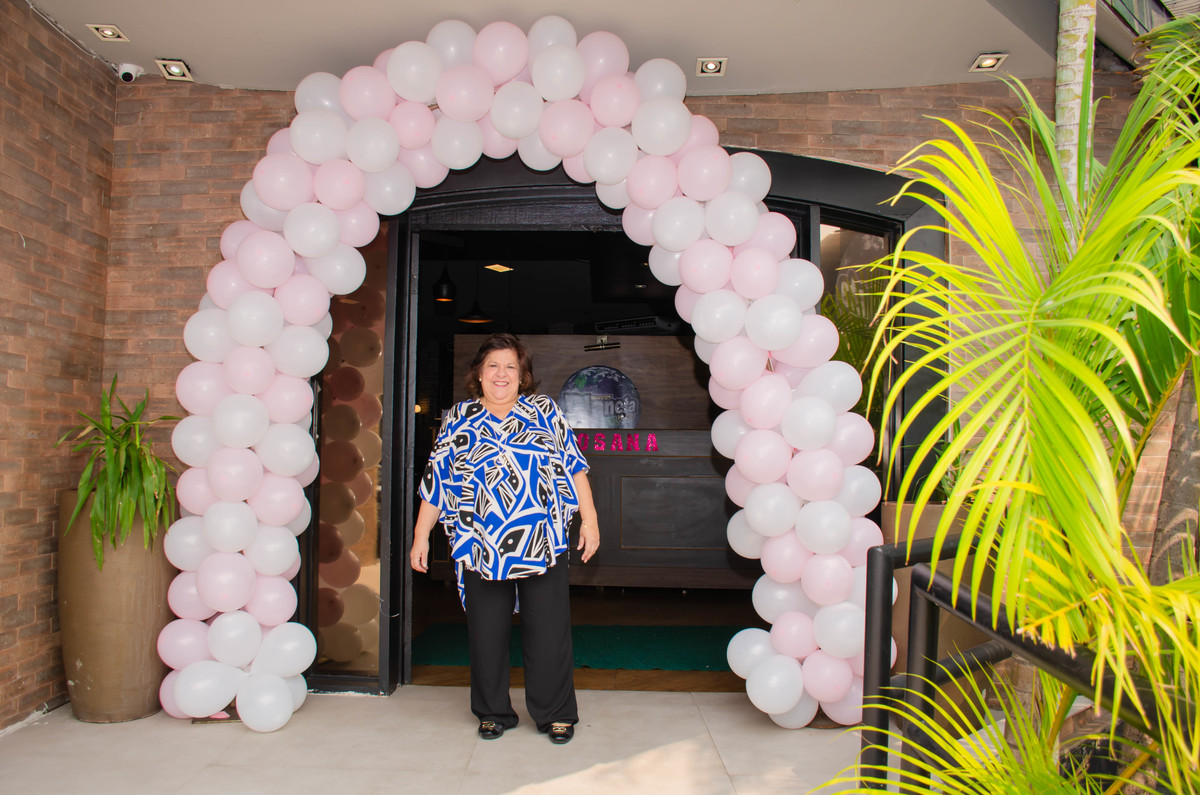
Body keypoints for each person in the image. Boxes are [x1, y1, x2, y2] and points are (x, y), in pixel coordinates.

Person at [410, 333, 600, 745]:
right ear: (479, 374)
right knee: (486, 633)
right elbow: (437, 480)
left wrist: (590, 520)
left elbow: (574, 466)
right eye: (493, 365)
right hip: (481, 544)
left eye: (511, 366)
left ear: (523, 375)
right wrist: (421, 535)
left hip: (542, 540)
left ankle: (556, 714)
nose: (502, 374)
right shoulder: (459, 418)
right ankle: (493, 712)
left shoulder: (545, 412)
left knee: (548, 632)